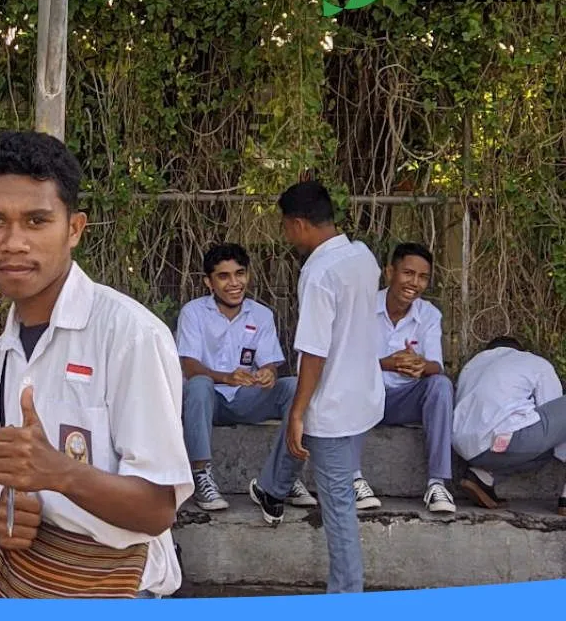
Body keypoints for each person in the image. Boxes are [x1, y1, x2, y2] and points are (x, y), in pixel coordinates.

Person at [0, 131, 193, 599]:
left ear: (74, 228)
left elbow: (159, 509)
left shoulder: (129, 336)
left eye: (37, 221)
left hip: (115, 586)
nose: (13, 242)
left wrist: (60, 473)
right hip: (18, 582)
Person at [249, 180, 384, 594]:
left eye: (286, 227)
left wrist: (298, 410)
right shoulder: (363, 257)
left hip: (335, 405)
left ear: (300, 223)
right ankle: (272, 487)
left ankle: (346, 597)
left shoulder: (319, 273)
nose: (285, 234)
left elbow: (313, 351)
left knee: (338, 506)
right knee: (303, 437)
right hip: (364, 395)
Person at [176, 243, 317, 511]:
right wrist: (225, 377)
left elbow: (269, 363)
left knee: (294, 386)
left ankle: (283, 477)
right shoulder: (193, 312)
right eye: (224, 276)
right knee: (199, 385)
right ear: (209, 282)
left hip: (246, 398)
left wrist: (268, 373)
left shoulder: (261, 314)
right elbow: (189, 365)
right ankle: (201, 475)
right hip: (208, 401)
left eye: (239, 274)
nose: (234, 283)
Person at [350, 243, 456, 512]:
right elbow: (344, 363)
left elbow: (437, 366)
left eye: (423, 277)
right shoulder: (363, 308)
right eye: (408, 273)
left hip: (405, 400)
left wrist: (420, 365)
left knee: (441, 385)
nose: (415, 283)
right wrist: (388, 363)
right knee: (353, 381)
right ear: (389, 272)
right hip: (365, 398)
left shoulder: (429, 315)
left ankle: (437, 484)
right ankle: (352, 479)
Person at [453, 336, 566, 516]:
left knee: (543, 456)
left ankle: (482, 476)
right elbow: (552, 412)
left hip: (464, 449)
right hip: (508, 440)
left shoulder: (471, 366)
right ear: (518, 349)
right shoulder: (533, 362)